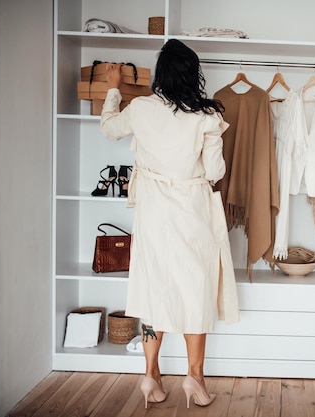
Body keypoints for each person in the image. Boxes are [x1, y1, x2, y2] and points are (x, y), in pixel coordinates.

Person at [100, 39, 239, 409]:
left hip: (152, 211)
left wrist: (114, 87)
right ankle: (195, 377)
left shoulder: (141, 108)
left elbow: (110, 128)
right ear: (194, 75)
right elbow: (214, 172)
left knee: (153, 291)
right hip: (191, 209)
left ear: (161, 74)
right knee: (196, 290)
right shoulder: (207, 116)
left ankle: (151, 375)